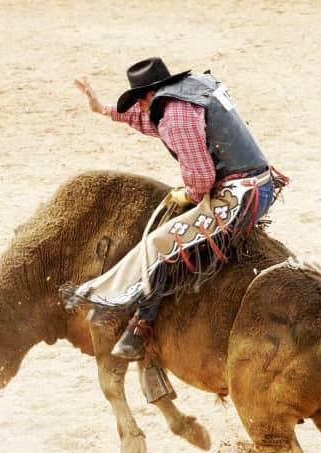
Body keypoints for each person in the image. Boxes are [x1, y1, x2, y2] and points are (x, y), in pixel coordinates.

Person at [72, 57, 283, 362]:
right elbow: (147, 120)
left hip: (239, 196)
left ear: (146, 96)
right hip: (258, 181)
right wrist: (103, 108)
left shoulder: (174, 117)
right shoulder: (194, 89)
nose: (141, 110)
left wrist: (190, 193)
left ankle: (142, 325)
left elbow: (202, 178)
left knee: (161, 242)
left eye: (138, 102)